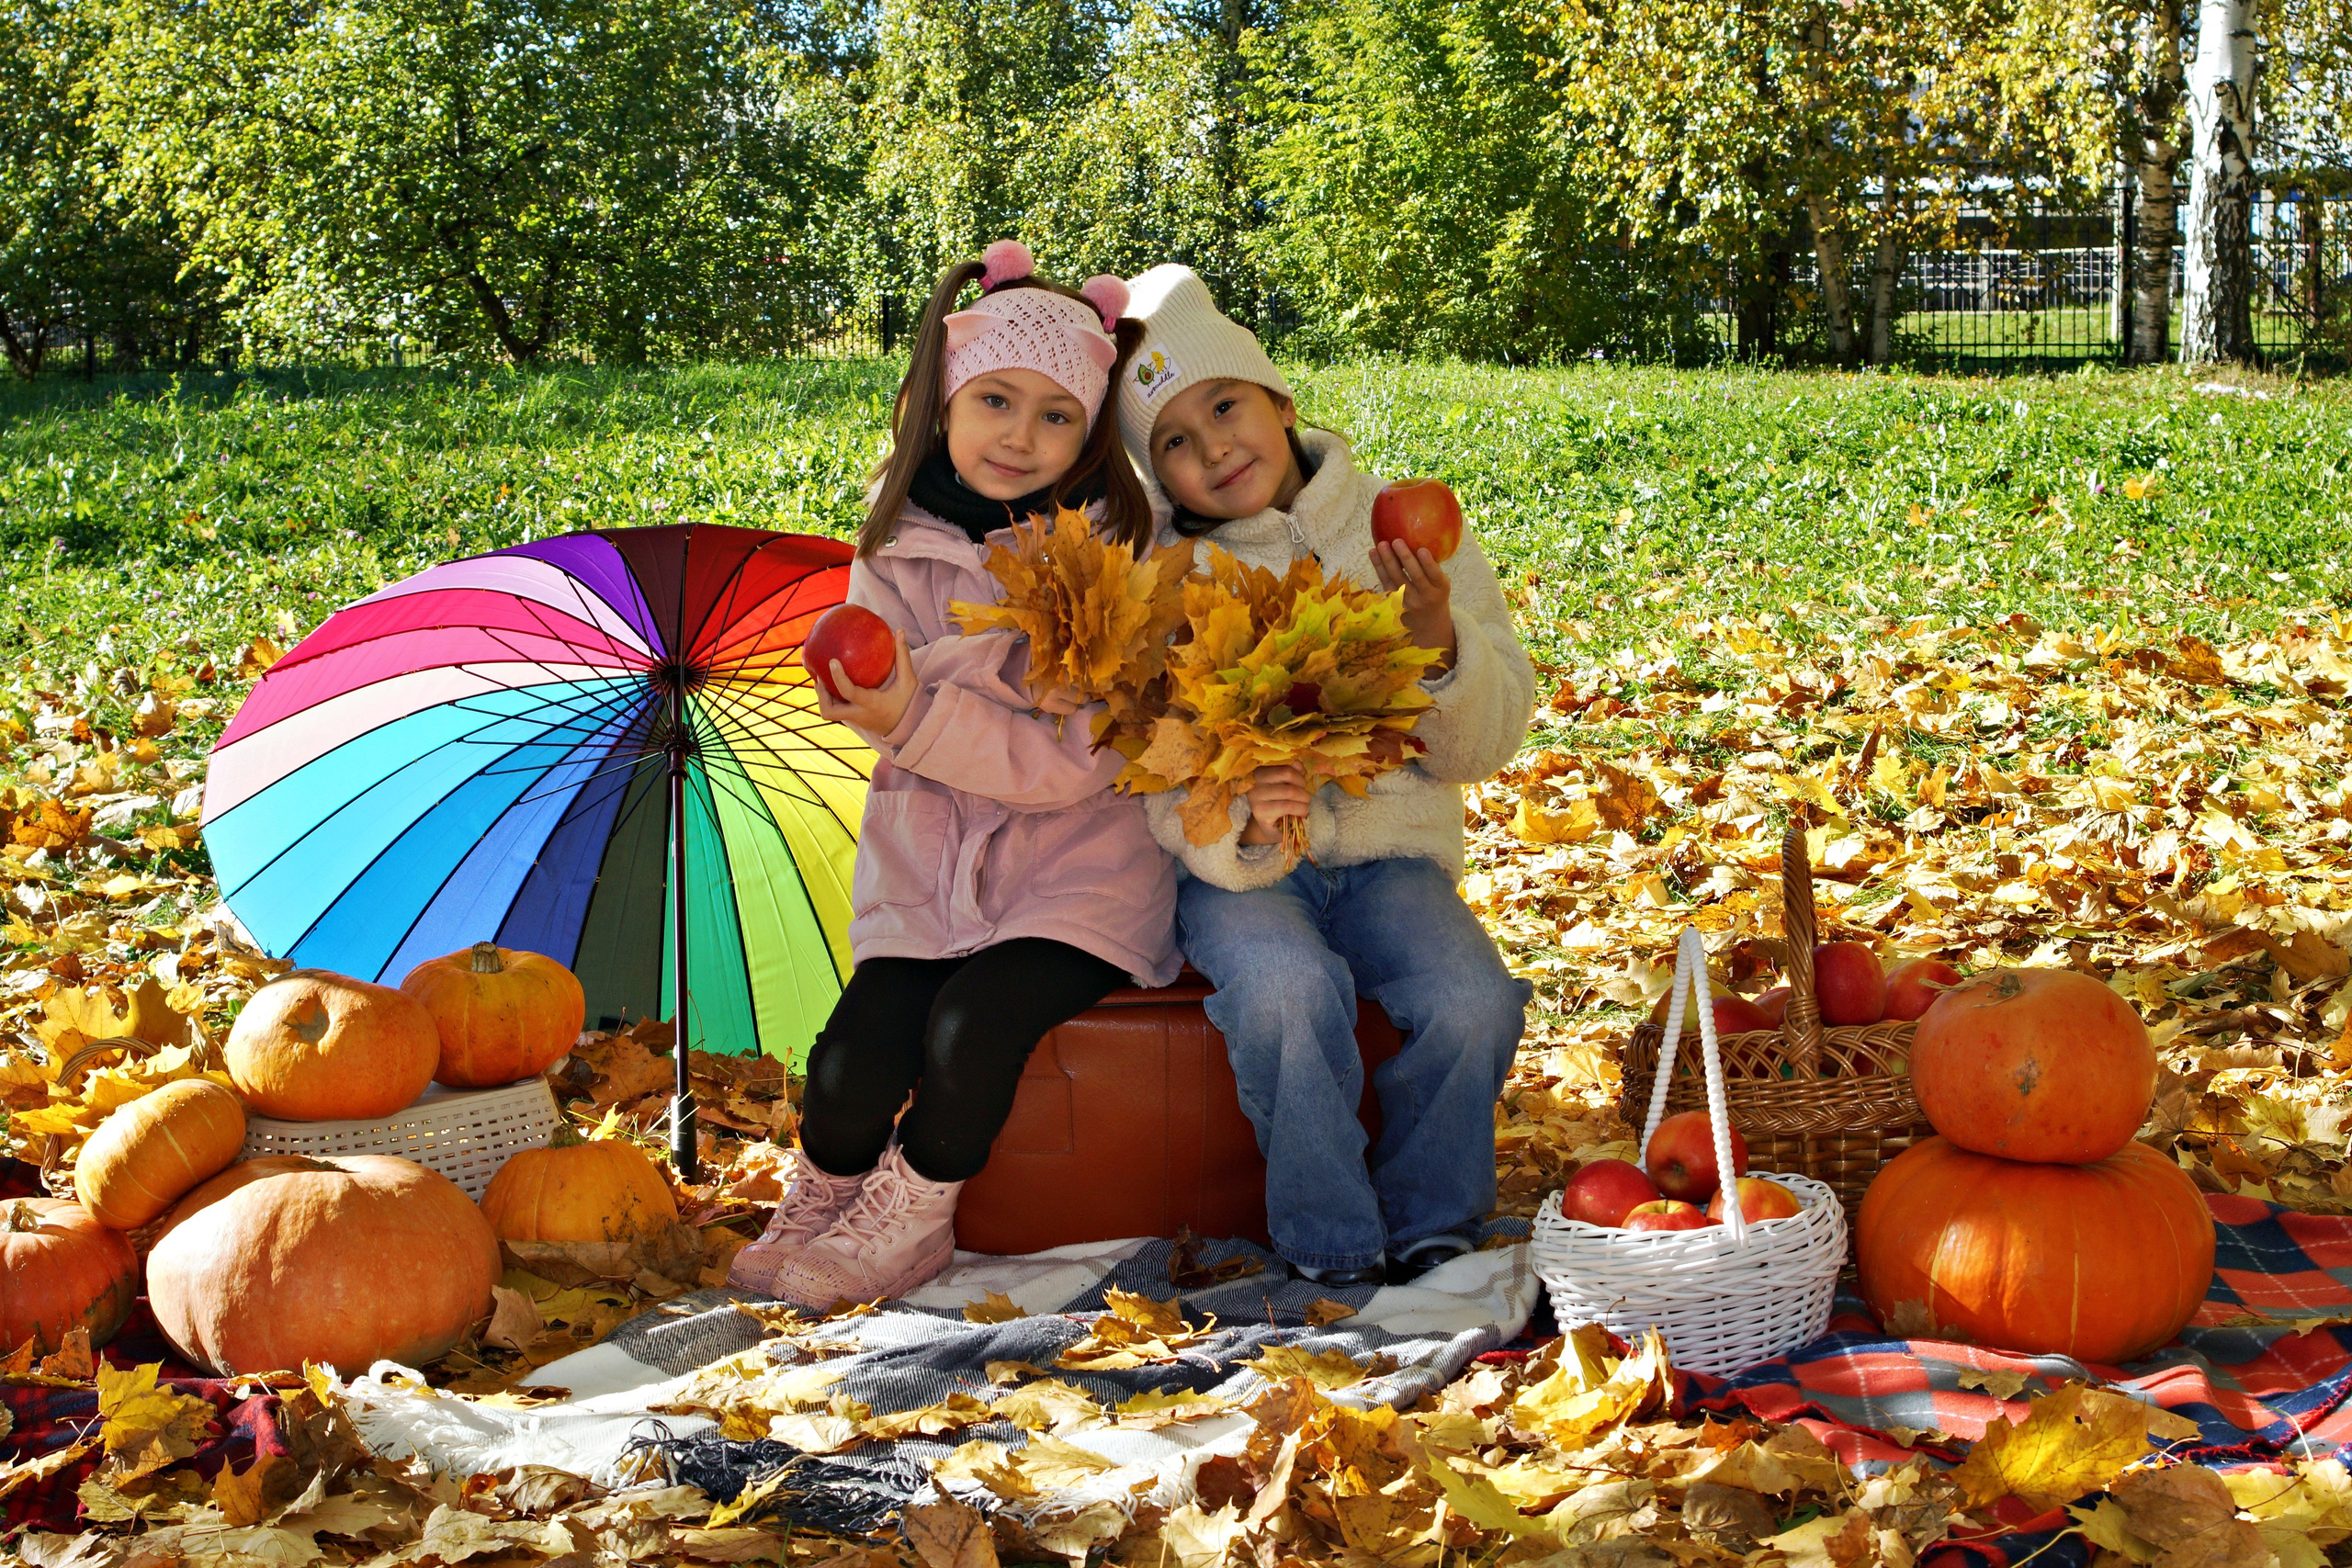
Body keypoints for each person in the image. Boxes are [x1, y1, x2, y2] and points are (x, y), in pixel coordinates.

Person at [729, 242, 1180, 1308]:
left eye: (1056, 414)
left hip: (1081, 871)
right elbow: (877, 697)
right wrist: (913, 702)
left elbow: (1074, 758)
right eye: (994, 401)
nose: (1020, 436)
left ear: (1089, 430)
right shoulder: (893, 537)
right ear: (945, 402)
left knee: (972, 1025)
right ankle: (828, 1189)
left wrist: (921, 705)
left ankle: (915, 1210)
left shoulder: (1114, 554)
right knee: (848, 1062)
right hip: (933, 863)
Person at [1115, 264, 1536, 1288]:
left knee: (1470, 998)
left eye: (1225, 406)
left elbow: (1487, 743)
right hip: (1246, 873)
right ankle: (1332, 1245)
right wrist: (1242, 825)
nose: (1213, 446)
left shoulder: (1401, 528)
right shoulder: (1168, 582)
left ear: (1282, 403)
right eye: (1174, 439)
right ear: (1155, 476)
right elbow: (1155, 768)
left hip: (1394, 855)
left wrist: (1438, 645)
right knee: (1287, 993)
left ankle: (1433, 1222)